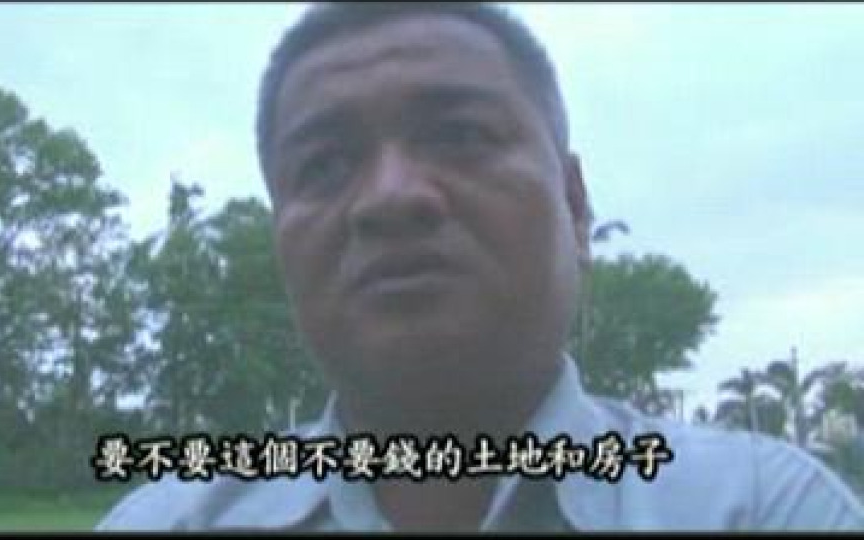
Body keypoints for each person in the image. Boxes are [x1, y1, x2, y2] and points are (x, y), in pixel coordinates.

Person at [96, 3, 864, 532]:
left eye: (460, 135)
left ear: (575, 207)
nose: (390, 197)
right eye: (324, 165)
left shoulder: (763, 509)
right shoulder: (166, 523)